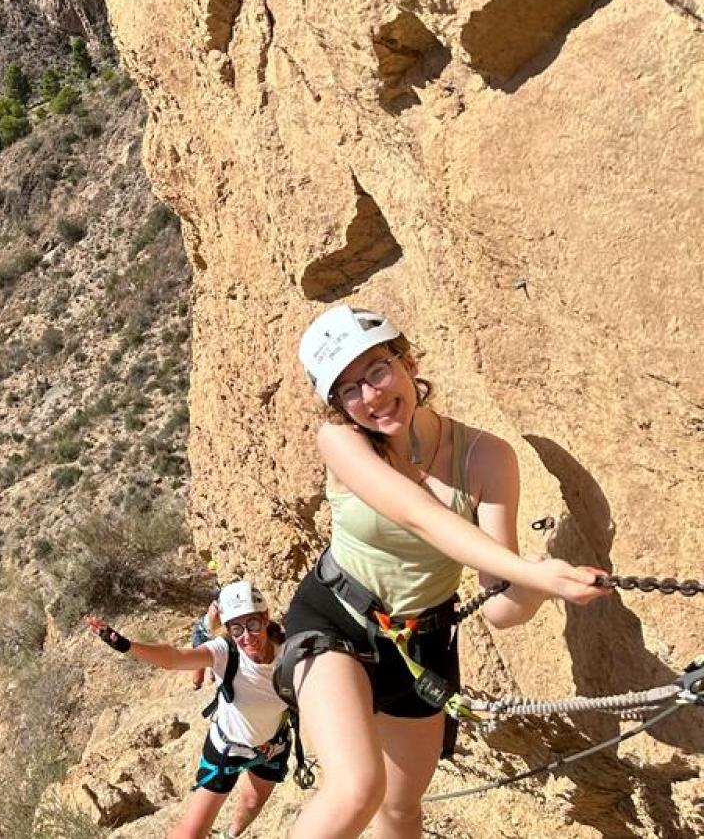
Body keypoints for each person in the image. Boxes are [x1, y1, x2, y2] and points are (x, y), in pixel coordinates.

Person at [280, 305, 610, 839]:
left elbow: (502, 608)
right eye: (348, 390)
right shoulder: (340, 441)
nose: (370, 396)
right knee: (355, 787)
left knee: (401, 809)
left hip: (422, 643)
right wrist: (537, 574)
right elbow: (421, 517)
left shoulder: (486, 458)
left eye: (378, 371)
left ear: (408, 360)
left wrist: (539, 583)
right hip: (335, 619)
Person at [89, 580, 290, 839]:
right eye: (237, 628)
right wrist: (128, 647)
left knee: (252, 804)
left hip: (273, 745)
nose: (247, 636)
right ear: (228, 629)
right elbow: (174, 658)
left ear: (265, 618)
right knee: (192, 833)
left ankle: (228, 837)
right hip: (228, 749)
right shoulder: (225, 652)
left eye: (252, 624)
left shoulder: (288, 649)